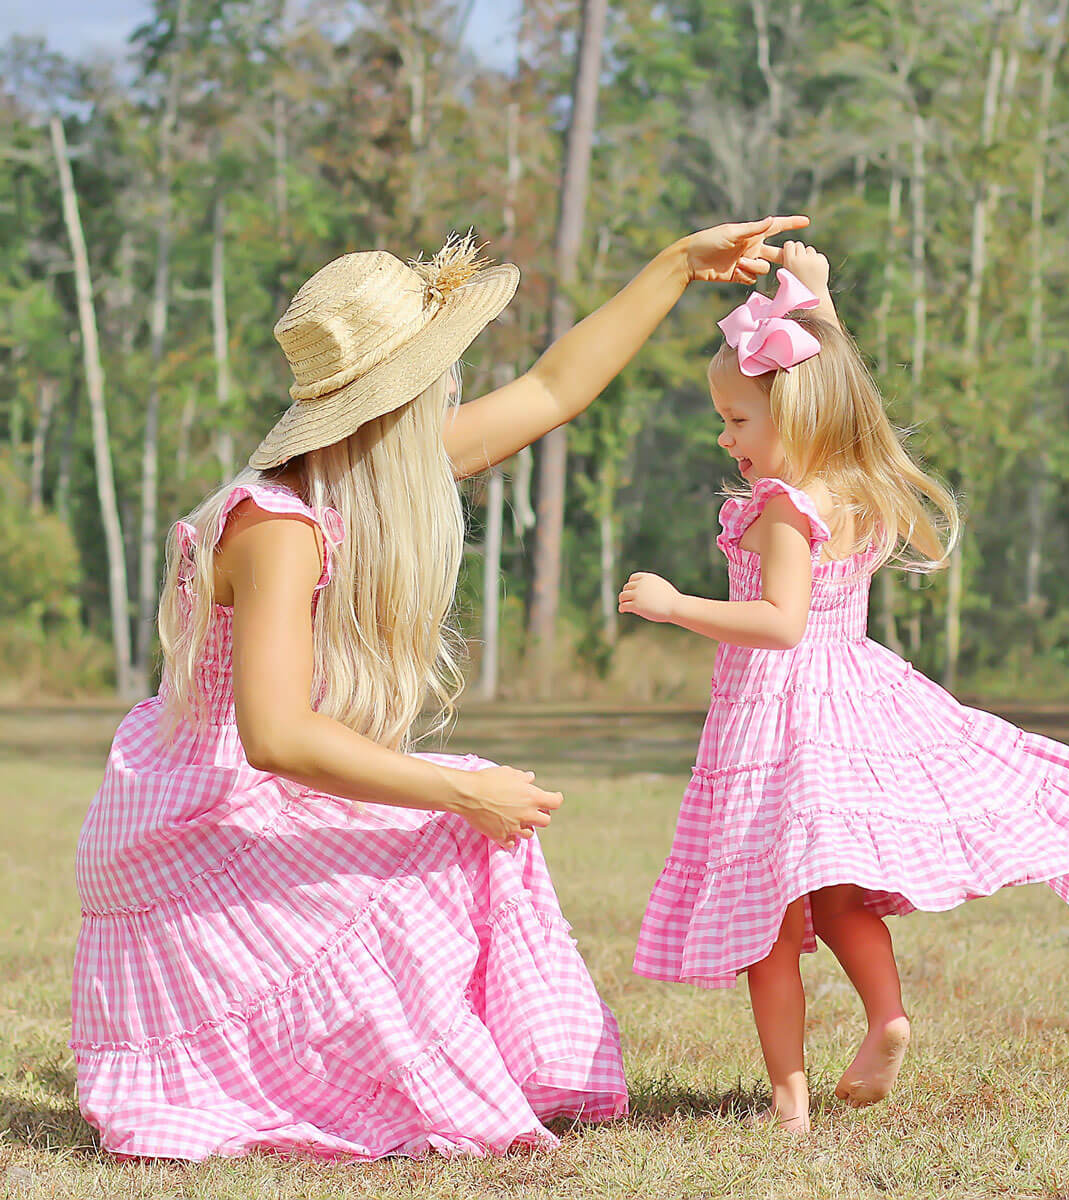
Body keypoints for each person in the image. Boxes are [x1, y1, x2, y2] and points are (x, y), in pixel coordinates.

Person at [70, 216, 809, 1161]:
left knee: (462, 816)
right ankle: (372, 1073)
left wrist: (676, 266)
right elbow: (276, 738)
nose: (453, 394)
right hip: (197, 824)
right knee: (456, 812)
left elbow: (553, 389)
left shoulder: (366, 479)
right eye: (437, 379)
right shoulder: (275, 526)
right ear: (393, 401)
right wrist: (463, 791)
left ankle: (467, 1063)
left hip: (247, 801)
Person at [618, 241, 1069, 1134]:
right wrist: (813, 298)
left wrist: (676, 606)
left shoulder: (787, 505)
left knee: (770, 923)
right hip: (852, 696)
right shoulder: (850, 486)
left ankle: (790, 1105)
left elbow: (780, 623)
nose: (726, 438)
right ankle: (886, 1020)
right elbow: (830, 384)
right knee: (841, 896)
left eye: (738, 419)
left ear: (794, 415)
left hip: (779, 718)